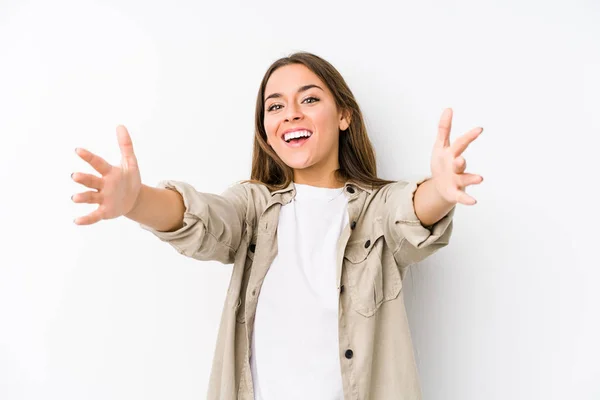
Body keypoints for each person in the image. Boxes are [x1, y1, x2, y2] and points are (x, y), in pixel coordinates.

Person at [71, 51, 483, 400]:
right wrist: (137, 201)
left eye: (309, 99)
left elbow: (410, 210)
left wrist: (442, 190)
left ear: (344, 115)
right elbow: (202, 219)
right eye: (275, 106)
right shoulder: (252, 206)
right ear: (267, 133)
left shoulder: (376, 208)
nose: (291, 115)